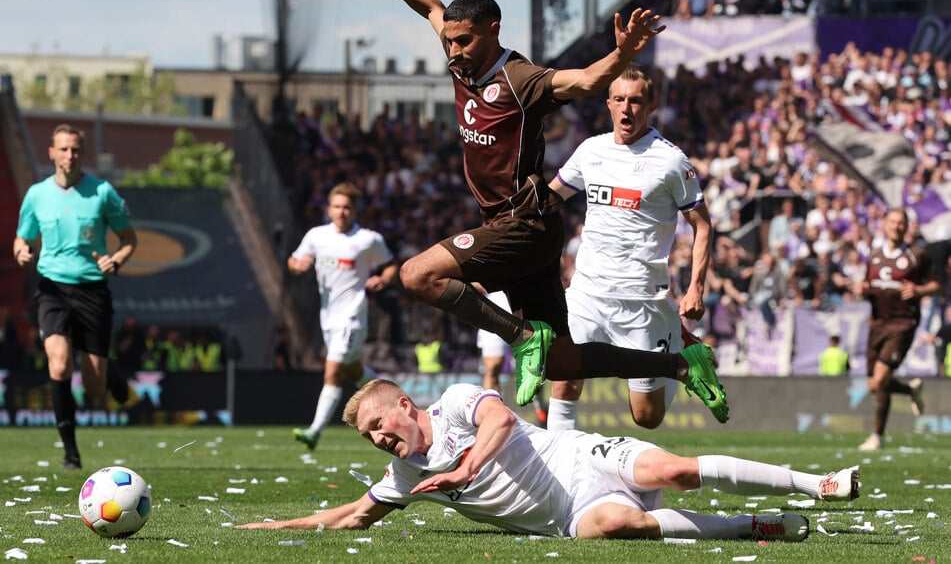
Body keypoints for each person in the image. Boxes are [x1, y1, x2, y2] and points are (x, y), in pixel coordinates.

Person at [331, 0, 727, 421]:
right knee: (563, 362)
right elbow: (429, 5)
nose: (453, 50)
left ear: (492, 30)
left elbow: (583, 81)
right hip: (523, 227)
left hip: (523, 224)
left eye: (464, 40)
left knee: (418, 274)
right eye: (450, 40)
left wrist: (623, 55)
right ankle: (682, 365)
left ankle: (522, 339)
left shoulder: (521, 80)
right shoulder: (461, 58)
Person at [236, 379, 860, 541]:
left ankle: (819, 482)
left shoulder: (454, 403)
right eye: (368, 436)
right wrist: (279, 526)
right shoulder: (405, 472)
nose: (378, 439)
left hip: (580, 458)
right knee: (614, 527)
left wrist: (462, 471)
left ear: (403, 404)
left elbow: (502, 420)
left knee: (674, 470)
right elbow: (353, 516)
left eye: (378, 425)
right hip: (573, 512)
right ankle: (762, 527)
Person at [545, 67, 721, 430]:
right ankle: (558, 479)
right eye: (620, 100)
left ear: (652, 105)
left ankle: (685, 357)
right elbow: (549, 199)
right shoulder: (591, 150)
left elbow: (702, 225)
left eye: (636, 100)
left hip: (641, 301)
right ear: (609, 104)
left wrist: (695, 288)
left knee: (647, 418)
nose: (627, 109)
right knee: (563, 375)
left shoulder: (671, 161)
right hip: (587, 293)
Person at [12, 123, 136, 470]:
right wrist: (22, 251)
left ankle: (107, 371)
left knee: (95, 387)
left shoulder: (103, 193)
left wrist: (117, 259)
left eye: (75, 150)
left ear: (83, 153)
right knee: (60, 363)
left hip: (93, 290)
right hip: (51, 288)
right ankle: (70, 452)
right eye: (63, 149)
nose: (70, 155)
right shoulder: (37, 195)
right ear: (51, 153)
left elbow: (129, 240)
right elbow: (22, 239)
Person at [289, 182, 398, 451]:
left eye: (347, 207)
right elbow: (294, 260)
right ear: (329, 209)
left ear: (355, 210)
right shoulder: (317, 236)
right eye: (337, 206)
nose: (341, 212)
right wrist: (298, 266)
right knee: (354, 372)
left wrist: (382, 279)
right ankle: (395, 397)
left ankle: (314, 432)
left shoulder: (367, 239)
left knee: (333, 372)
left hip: (353, 317)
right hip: (328, 318)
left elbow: (391, 265)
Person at [853, 208, 939, 451]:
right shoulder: (874, 255)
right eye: (893, 221)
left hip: (903, 323)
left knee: (881, 378)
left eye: (901, 223)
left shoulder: (917, 255)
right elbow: (869, 286)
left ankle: (877, 437)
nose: (897, 226)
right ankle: (910, 389)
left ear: (907, 227)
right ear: (884, 224)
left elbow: (936, 285)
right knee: (874, 385)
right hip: (877, 323)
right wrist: (861, 289)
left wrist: (919, 290)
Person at [476, 288, 548, 425]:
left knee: (534, 367)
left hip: (522, 307)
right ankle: (493, 417)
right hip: (493, 309)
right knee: (492, 368)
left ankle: (541, 405)